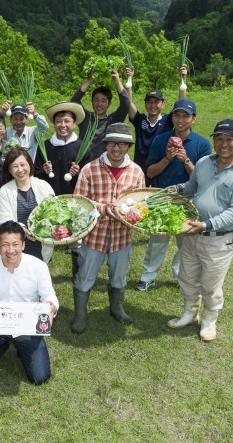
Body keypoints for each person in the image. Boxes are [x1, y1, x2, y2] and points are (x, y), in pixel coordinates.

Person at [167, 119, 233, 341]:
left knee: (211, 281)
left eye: (230, 139)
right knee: (187, 275)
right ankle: (190, 312)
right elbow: (192, 187)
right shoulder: (204, 162)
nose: (223, 144)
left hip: (219, 238)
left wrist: (206, 225)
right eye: (219, 138)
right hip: (191, 230)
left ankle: (209, 319)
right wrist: (178, 189)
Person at [71, 122, 145, 334]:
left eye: (122, 145)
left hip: (122, 236)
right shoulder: (90, 169)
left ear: (128, 147)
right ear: (106, 144)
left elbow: (140, 203)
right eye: (112, 143)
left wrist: (132, 213)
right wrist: (103, 208)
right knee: (86, 273)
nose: (116, 149)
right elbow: (80, 202)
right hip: (95, 234)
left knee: (119, 274)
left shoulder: (136, 172)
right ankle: (80, 313)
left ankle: (116, 306)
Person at [0, 221, 59, 385]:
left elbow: (49, 295)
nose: (10, 250)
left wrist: (50, 307)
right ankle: (2, 344)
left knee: (40, 377)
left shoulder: (38, 266)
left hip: (27, 325)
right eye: (5, 245)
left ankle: (22, 348)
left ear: (23, 245)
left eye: (15, 244)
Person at [135, 99, 212, 291]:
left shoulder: (202, 144)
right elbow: (151, 172)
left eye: (186, 116)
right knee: (157, 240)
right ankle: (148, 277)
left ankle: (181, 277)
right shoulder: (161, 140)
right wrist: (168, 158)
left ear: (193, 119)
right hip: (163, 197)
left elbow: (204, 180)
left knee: (186, 242)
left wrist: (185, 159)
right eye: (177, 115)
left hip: (189, 199)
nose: (180, 120)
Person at [126, 65, 188, 177]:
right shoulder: (140, 120)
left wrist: (183, 80)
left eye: (156, 102)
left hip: (161, 166)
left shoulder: (168, 120)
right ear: (145, 104)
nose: (152, 105)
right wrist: (129, 79)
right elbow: (128, 103)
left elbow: (181, 104)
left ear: (163, 104)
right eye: (149, 102)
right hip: (140, 169)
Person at [0, 147, 55, 262]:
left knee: (38, 270)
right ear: (9, 170)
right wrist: (22, 228)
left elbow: (54, 210)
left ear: (30, 165)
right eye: (15, 166)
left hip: (42, 242)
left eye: (23, 164)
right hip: (16, 243)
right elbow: (4, 218)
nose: (20, 170)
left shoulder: (43, 186)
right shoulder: (5, 190)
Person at [70, 68, 130, 162]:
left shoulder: (114, 119)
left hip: (106, 164)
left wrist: (117, 81)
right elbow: (74, 101)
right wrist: (90, 81)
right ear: (92, 102)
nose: (99, 104)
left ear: (109, 103)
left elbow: (126, 104)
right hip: (84, 163)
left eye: (103, 101)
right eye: (96, 100)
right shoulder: (85, 117)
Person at [34, 101, 86, 196]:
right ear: (54, 124)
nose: (62, 125)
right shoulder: (45, 146)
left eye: (67, 121)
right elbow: (35, 174)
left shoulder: (83, 147)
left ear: (74, 124)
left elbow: (90, 177)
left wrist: (78, 172)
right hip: (49, 198)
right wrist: (44, 171)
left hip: (75, 198)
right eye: (58, 121)